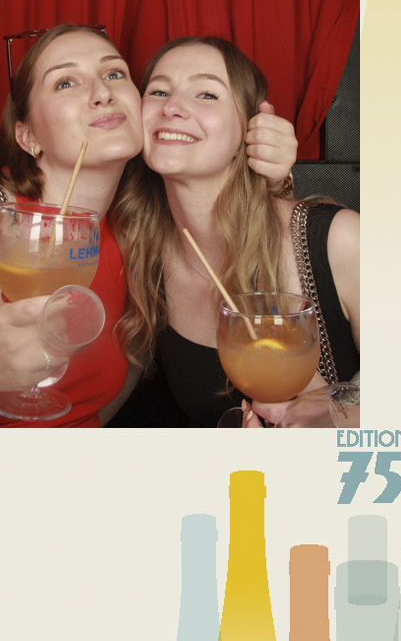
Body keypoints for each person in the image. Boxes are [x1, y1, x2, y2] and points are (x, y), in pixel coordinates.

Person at [0, 24, 297, 427]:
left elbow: (244, 233)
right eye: (65, 82)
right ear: (27, 136)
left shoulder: (140, 233)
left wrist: (271, 175)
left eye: (115, 73)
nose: (102, 92)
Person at [110, 36, 359, 428]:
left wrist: (341, 414)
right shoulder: (141, 253)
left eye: (207, 94)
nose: (172, 107)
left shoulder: (339, 241)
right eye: (158, 91)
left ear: (252, 129)